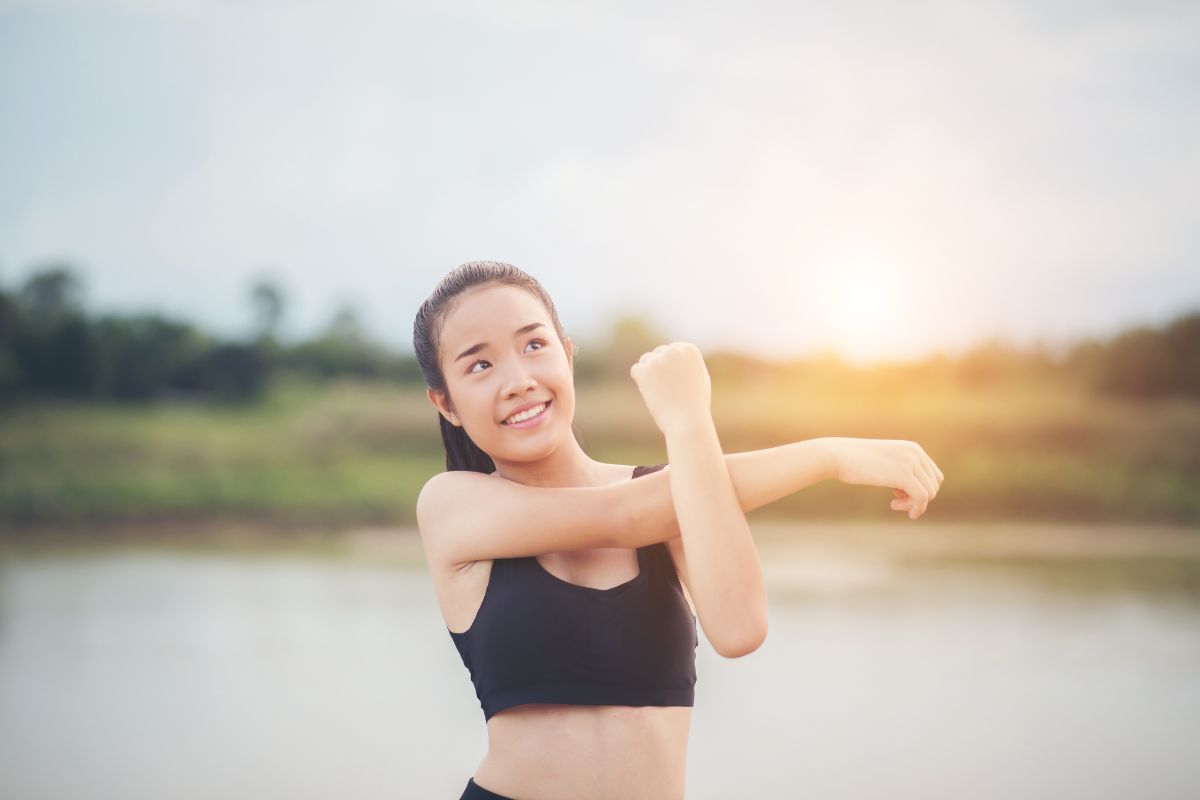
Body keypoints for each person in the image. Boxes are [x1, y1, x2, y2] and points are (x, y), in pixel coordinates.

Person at [412, 261, 944, 799]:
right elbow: (623, 516)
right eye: (479, 365)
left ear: (567, 355)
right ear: (446, 403)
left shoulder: (677, 497)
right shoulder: (452, 505)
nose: (518, 381)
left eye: (533, 346)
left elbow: (739, 630)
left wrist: (692, 422)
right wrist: (826, 454)